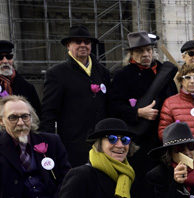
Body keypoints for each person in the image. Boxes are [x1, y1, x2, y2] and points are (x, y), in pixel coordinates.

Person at [108, 31, 180, 198]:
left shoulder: (164, 72)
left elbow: (174, 99)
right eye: (140, 51)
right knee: (141, 184)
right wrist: (138, 112)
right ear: (132, 54)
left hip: (164, 139)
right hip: (138, 140)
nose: (146, 54)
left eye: (149, 50)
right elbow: (114, 106)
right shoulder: (123, 75)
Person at [40, 25, 113, 166]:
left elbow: (109, 105)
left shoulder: (102, 72)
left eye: (86, 42)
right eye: (78, 42)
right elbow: (49, 112)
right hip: (73, 144)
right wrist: (48, 143)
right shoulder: (57, 73)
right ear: (68, 45)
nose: (83, 45)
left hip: (101, 142)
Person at [0, 96, 71, 197]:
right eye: (13, 118)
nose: (20, 123)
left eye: (25, 116)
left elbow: (66, 178)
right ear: (1, 121)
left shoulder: (52, 141)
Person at [59, 118, 138, 198]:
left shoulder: (129, 176)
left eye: (125, 140)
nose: (120, 145)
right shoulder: (82, 175)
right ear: (99, 143)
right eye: (112, 139)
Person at [0, 40, 41, 111]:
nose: (5, 61)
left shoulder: (27, 87)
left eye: (9, 57)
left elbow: (37, 115)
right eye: (0, 57)